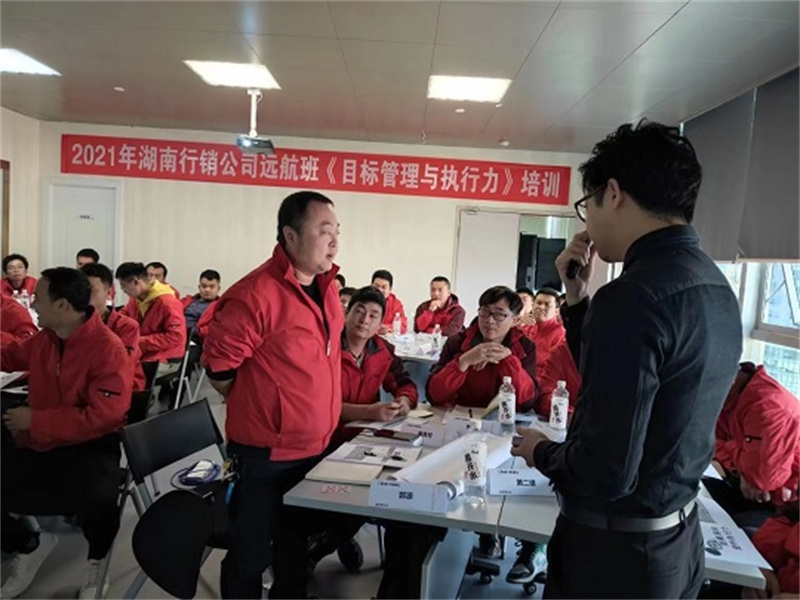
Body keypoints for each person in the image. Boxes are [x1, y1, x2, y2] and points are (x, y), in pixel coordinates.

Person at [511, 121, 743, 599]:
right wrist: (577, 299)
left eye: (587, 205)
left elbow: (605, 471)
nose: (587, 224)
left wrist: (539, 450)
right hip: (676, 542)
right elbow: (622, 379)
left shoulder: (632, 296)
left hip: (614, 558)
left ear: (613, 193)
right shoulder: (713, 284)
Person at [202, 190, 345, 599]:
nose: (334, 241)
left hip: (314, 447)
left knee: (293, 549)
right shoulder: (255, 294)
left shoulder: (326, 288)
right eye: (325, 231)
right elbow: (219, 367)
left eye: (337, 231)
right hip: (265, 455)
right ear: (291, 236)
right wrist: (260, 402)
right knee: (250, 554)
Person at [0, 268, 132, 600]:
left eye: (38, 299)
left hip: (92, 444)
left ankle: (97, 562)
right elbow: (11, 355)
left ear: (62, 306)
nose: (32, 305)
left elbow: (103, 417)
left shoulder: (108, 348)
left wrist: (37, 420)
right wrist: (36, 424)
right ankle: (29, 543)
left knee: (99, 501)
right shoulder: (47, 339)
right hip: (44, 439)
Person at [308, 286, 418, 574]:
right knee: (353, 495)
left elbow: (404, 382)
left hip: (364, 441)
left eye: (373, 315)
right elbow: (316, 403)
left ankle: (332, 538)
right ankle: (329, 541)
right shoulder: (325, 347)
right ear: (346, 312)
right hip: (322, 439)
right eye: (359, 311)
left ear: (381, 321)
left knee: (385, 490)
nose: (365, 320)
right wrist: (368, 412)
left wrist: (405, 400)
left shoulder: (382, 350)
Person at [707, 362, 799, 530]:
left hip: (785, 510)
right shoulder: (730, 398)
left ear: (731, 378)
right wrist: (741, 466)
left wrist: (739, 461)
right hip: (755, 491)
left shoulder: (769, 408)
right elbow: (709, 442)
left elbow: (762, 480)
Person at [427, 285, 537, 410]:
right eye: (485, 312)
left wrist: (508, 361)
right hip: (459, 415)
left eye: (499, 315)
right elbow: (434, 396)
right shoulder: (457, 342)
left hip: (504, 417)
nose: (490, 320)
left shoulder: (525, 347)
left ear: (515, 321)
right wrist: (463, 361)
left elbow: (527, 402)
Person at [81, 263, 146, 391]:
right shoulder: (70, 323)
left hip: (118, 387)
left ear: (109, 293)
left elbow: (120, 367)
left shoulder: (126, 327)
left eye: (91, 290)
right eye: (79, 290)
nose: (83, 296)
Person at [116, 262, 186, 364]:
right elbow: (123, 316)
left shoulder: (167, 302)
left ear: (136, 282)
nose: (123, 290)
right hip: (145, 351)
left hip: (165, 356)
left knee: (121, 367)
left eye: (124, 286)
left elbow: (176, 336)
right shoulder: (136, 299)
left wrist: (139, 340)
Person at [517, 287, 565, 370]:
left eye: (547, 304)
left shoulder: (560, 334)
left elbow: (555, 368)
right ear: (533, 305)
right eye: (538, 303)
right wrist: (518, 324)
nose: (541, 307)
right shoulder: (525, 326)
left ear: (556, 311)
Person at [181, 269, 221, 338]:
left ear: (218, 288)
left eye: (212, 287)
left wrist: (196, 332)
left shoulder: (221, 307)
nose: (207, 290)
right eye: (204, 286)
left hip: (196, 338)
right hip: (177, 333)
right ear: (199, 287)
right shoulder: (186, 301)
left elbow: (217, 328)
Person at [371, 269, 407, 335]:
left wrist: (387, 328)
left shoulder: (396, 304)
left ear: (390, 289)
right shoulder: (364, 300)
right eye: (377, 286)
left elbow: (403, 326)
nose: (380, 290)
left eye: (384, 287)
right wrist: (376, 329)